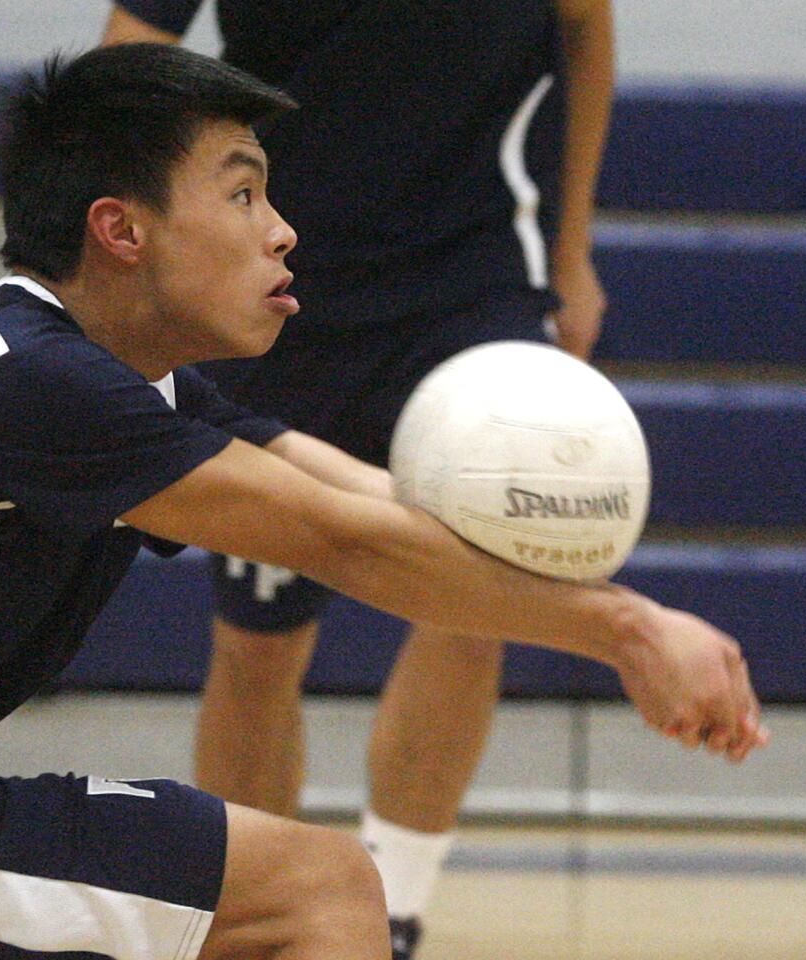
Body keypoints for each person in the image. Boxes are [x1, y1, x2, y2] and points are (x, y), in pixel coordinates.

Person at [0, 43, 764, 960]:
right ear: (119, 230)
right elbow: (341, 544)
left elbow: (375, 501)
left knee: (243, 895)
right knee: (317, 892)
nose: (282, 229)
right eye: (244, 193)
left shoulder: (94, 377)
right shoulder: (27, 382)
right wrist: (627, 631)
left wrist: (602, 585)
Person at [101, 2, 618, 953]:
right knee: (257, 644)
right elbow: (128, 56)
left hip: (475, 280)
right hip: (276, 286)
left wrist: (572, 249)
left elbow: (587, 28)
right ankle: (248, 915)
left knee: (472, 597)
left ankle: (402, 907)